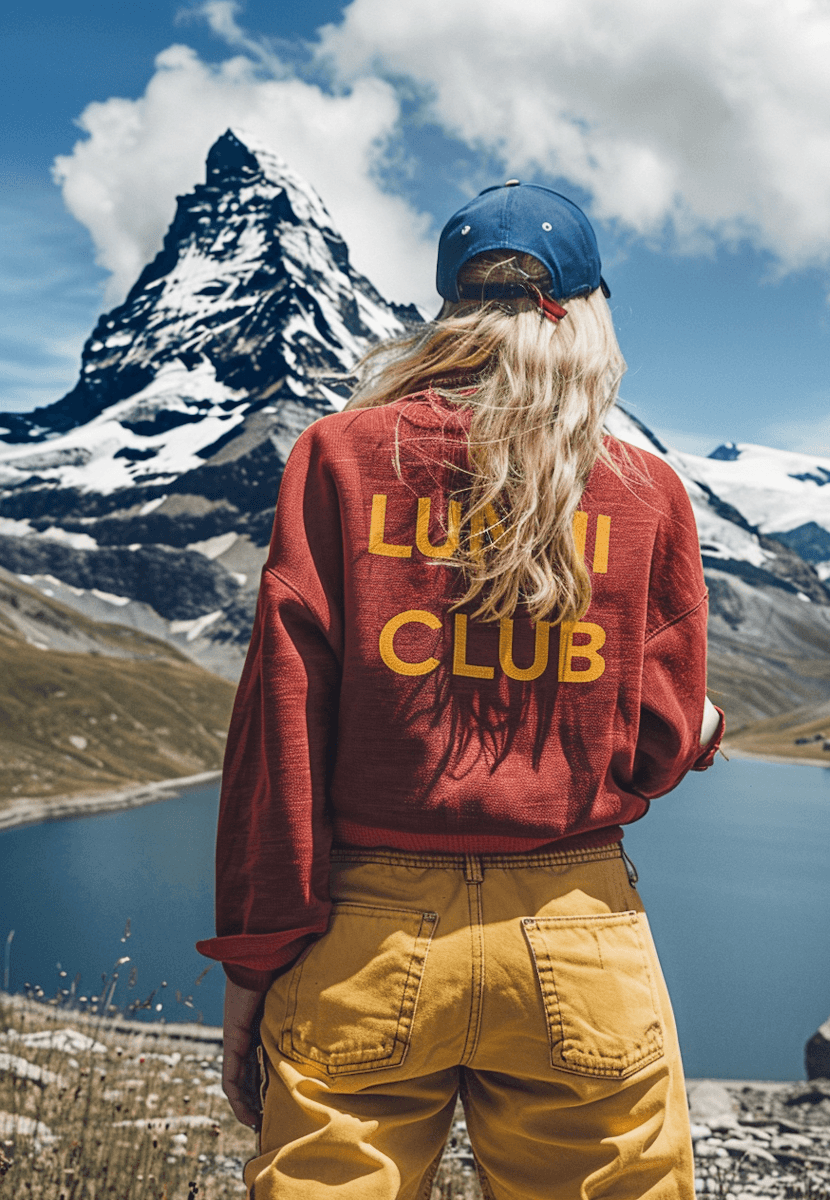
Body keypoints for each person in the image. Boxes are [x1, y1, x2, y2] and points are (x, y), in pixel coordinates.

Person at [197, 180, 724, 1200]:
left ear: (448, 311)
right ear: (587, 313)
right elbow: (657, 741)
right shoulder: (643, 489)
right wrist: (703, 725)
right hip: (576, 930)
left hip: (362, 935)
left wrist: (251, 967)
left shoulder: (336, 459)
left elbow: (281, 735)